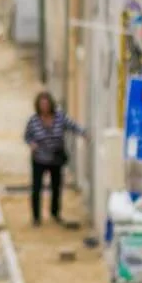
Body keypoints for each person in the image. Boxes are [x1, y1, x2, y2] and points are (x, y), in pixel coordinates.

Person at [24, 90, 87, 226]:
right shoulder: (33, 120)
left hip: (55, 159)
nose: (44, 107)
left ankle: (55, 213)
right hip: (39, 159)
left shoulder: (59, 117)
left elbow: (72, 125)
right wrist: (31, 144)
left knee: (56, 187)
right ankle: (36, 217)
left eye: (46, 104)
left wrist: (84, 133)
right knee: (36, 188)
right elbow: (27, 136)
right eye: (42, 104)